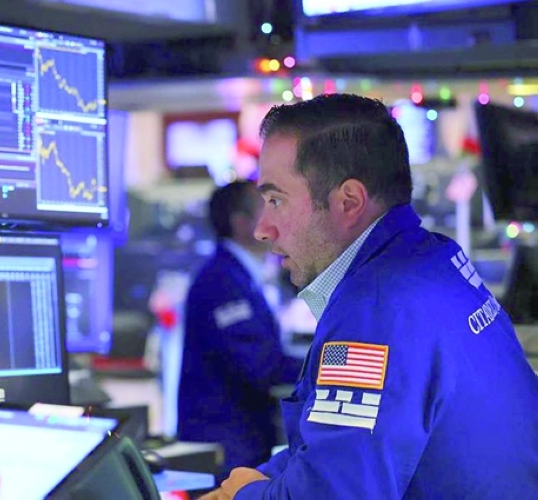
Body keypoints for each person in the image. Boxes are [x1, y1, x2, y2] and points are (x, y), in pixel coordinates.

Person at [205, 93, 538, 500]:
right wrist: (263, 481)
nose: (262, 228)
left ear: (348, 202)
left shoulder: (373, 308)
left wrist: (243, 495)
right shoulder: (434, 258)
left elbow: (337, 494)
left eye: (276, 200)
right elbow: (335, 449)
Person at [177, 181, 303, 476]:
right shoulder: (222, 283)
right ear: (241, 222)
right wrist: (327, 366)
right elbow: (261, 366)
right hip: (226, 449)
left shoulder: (238, 275)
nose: (277, 219)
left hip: (240, 443)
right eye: (268, 207)